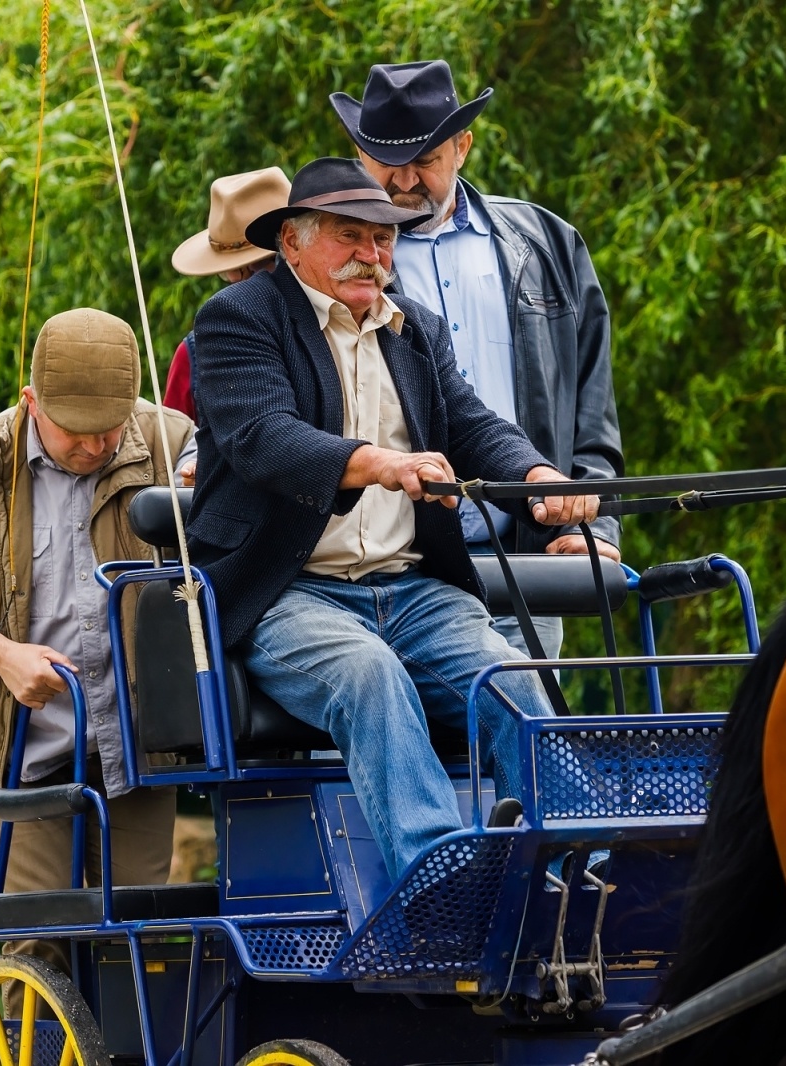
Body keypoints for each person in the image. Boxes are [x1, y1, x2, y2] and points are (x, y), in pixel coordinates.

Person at [186, 158, 600, 879]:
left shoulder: (415, 330)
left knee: (513, 680)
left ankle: (574, 875)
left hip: (413, 592)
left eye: (384, 241)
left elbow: (473, 426)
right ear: (291, 242)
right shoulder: (238, 320)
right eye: (351, 236)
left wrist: (537, 475)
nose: (373, 257)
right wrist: (379, 463)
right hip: (291, 593)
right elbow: (264, 437)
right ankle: (443, 880)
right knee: (368, 677)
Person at [0, 307, 196, 980]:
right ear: (31, 402)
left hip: (138, 745)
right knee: (36, 948)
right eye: (74, 432)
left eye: (109, 430)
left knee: (138, 948)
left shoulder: (174, 443)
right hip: (25, 744)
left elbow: (225, 550)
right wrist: (0, 654)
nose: (93, 445)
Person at [331, 60, 623, 658]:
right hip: (391, 573)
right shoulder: (335, 261)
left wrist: (592, 521)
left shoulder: (547, 244)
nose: (406, 181)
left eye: (427, 161)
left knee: (525, 735)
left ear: (463, 147)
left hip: (527, 559)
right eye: (389, 163)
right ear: (359, 156)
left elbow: (589, 409)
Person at [164, 166, 291, 424]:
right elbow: (175, 441)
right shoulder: (192, 353)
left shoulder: (349, 323)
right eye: (231, 272)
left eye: (271, 264)